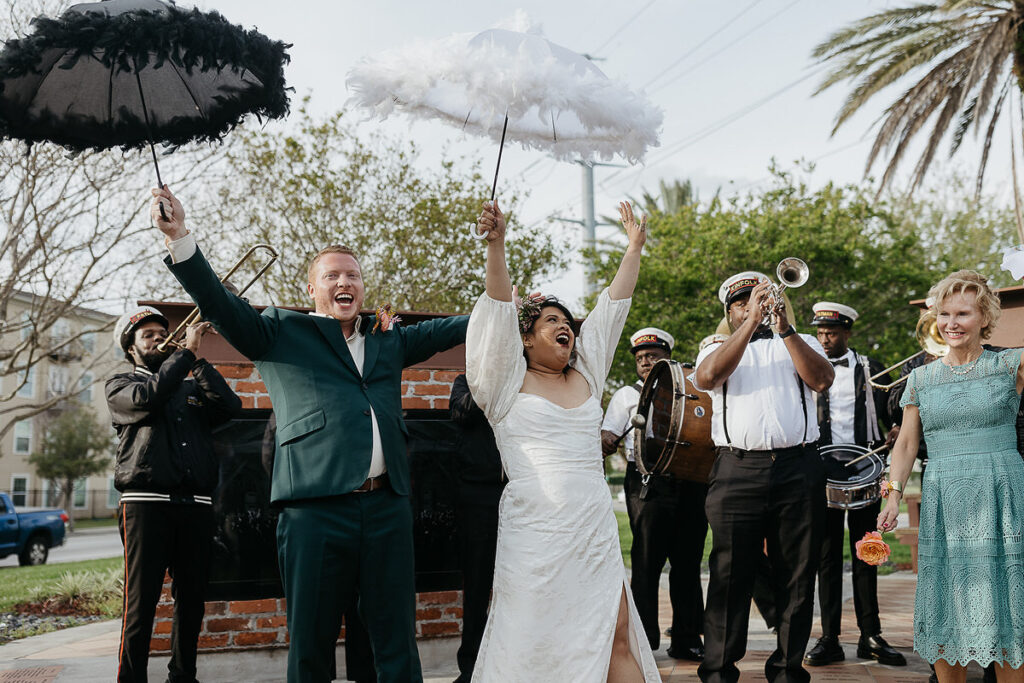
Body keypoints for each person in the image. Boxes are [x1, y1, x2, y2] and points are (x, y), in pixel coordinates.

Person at [150, 186, 469, 683]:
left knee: (397, 643)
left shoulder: (389, 340)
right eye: (332, 276)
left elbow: (453, 329)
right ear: (312, 290)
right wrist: (179, 238)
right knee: (312, 644)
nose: (346, 282)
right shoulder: (281, 332)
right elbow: (218, 302)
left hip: (387, 508)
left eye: (354, 275)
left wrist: (506, 310)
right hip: (314, 512)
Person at [466, 199, 659, 681]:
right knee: (533, 642)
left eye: (566, 320)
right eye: (550, 321)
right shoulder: (503, 385)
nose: (564, 325)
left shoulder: (588, 372)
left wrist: (634, 246)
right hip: (535, 533)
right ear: (525, 339)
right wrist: (496, 244)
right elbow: (493, 310)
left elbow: (612, 308)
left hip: (592, 526)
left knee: (613, 632)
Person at [878, 270, 1024, 683]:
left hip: (1002, 497)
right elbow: (905, 445)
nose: (951, 323)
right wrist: (892, 496)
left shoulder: (1011, 363)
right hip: (946, 502)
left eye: (963, 313)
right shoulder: (921, 379)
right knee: (947, 606)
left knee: (1008, 609)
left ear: (985, 318)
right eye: (944, 314)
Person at [693, 272, 834, 683]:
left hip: (799, 467)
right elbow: (707, 378)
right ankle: (719, 670)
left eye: (761, 299)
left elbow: (822, 380)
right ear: (730, 312)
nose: (751, 306)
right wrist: (753, 322)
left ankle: (788, 670)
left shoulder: (800, 340)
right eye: (742, 303)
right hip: (738, 470)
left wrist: (783, 327)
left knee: (798, 573)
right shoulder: (715, 345)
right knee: (729, 573)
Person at [106, 306, 242, 683]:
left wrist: (196, 361)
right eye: (147, 334)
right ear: (131, 347)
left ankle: (183, 677)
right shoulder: (121, 384)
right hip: (145, 506)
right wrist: (183, 356)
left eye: (160, 331)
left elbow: (231, 408)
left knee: (192, 602)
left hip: (195, 507)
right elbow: (150, 397)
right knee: (141, 604)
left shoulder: (189, 382)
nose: (158, 338)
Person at [805, 302, 905, 667]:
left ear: (848, 332)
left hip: (865, 470)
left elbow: (895, 412)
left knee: (868, 553)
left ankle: (870, 635)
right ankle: (828, 638)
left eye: (831, 333)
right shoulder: (807, 365)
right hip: (821, 473)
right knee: (826, 558)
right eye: (819, 333)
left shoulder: (870, 368)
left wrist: (895, 427)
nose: (824, 339)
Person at [601, 327, 707, 661]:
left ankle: (688, 638)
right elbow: (608, 438)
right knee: (646, 562)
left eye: (653, 356)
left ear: (668, 358)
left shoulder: (694, 389)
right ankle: (644, 639)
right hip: (647, 485)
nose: (646, 362)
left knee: (688, 563)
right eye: (641, 358)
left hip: (690, 483)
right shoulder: (625, 395)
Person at [448, 373, 506, 683]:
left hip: (517, 492)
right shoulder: (465, 382)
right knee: (477, 582)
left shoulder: (521, 380)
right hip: (477, 495)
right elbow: (461, 413)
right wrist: (488, 382)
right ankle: (471, 665)